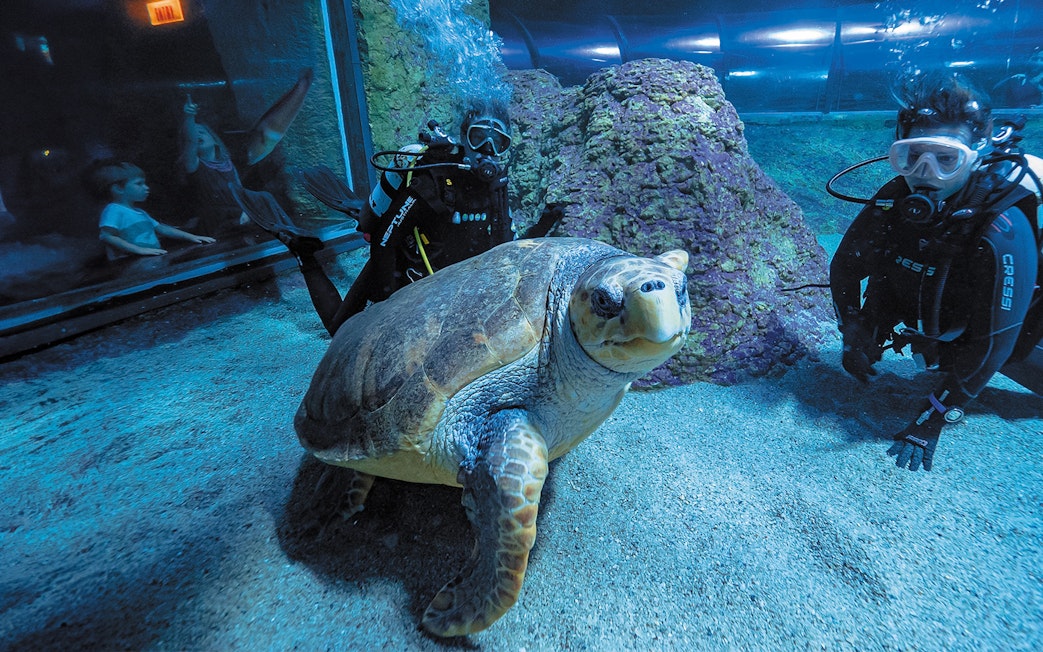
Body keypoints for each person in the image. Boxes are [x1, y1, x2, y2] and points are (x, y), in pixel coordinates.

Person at [830, 73, 1041, 472]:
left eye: (946, 159)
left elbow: (996, 344)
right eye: (913, 156)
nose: (926, 173)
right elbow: (844, 267)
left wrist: (933, 419)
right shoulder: (894, 199)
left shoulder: (1003, 225)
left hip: (1009, 334)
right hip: (929, 318)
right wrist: (852, 331)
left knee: (1017, 363)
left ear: (976, 153)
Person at [274, 98, 562, 336]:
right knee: (339, 330)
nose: (488, 149)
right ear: (464, 138)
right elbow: (384, 240)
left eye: (498, 141)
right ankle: (304, 254)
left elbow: (508, 251)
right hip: (407, 272)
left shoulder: (495, 189)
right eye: (478, 137)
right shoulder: (433, 180)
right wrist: (388, 303)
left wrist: (543, 224)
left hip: (450, 290)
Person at [89, 161, 215, 259]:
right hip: (127, 264)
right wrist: (139, 250)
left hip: (149, 259)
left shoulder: (140, 213)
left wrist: (192, 237)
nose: (146, 188)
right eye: (139, 184)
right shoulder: (113, 210)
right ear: (118, 189)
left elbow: (162, 228)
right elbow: (107, 236)